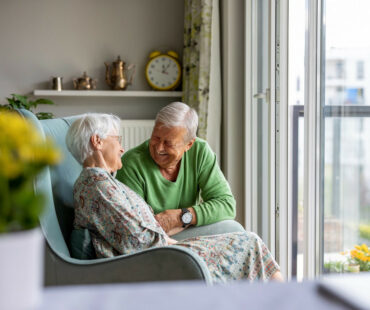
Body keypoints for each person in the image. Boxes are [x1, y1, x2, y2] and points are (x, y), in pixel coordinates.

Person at [66, 113, 283, 283]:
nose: (122, 147)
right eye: (117, 140)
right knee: (249, 243)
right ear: (97, 141)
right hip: (155, 259)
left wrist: (179, 222)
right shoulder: (98, 186)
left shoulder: (103, 182)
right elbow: (137, 240)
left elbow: (137, 230)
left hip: (161, 249)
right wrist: (180, 244)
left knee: (245, 241)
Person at [116, 102, 235, 236]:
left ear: (189, 144)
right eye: (156, 137)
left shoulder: (200, 152)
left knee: (234, 229)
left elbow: (226, 205)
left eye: (168, 143)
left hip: (187, 230)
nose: (159, 148)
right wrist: (186, 222)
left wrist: (180, 217)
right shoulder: (131, 163)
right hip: (153, 241)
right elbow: (136, 229)